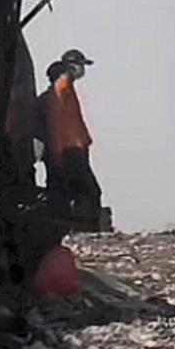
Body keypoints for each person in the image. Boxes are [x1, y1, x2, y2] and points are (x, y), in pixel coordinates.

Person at [39, 50, 101, 227]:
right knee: (88, 192)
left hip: (72, 149)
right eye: (80, 65)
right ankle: (86, 228)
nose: (82, 70)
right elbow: (57, 121)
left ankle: (80, 227)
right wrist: (58, 151)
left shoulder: (65, 88)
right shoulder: (62, 86)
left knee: (70, 193)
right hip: (69, 150)